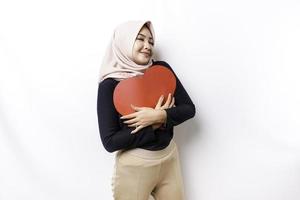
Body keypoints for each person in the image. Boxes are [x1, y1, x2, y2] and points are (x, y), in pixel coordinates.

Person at [97, 20, 196, 200]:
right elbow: (110, 142)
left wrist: (160, 115)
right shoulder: (109, 85)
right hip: (134, 166)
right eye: (140, 39)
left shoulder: (161, 70)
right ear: (124, 42)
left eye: (151, 41)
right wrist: (152, 125)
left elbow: (189, 109)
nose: (147, 46)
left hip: (169, 158)